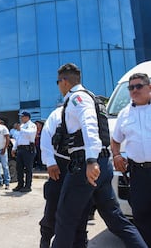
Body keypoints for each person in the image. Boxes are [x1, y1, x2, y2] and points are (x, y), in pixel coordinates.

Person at [52, 63, 146, 248]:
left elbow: (89, 125)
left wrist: (91, 161)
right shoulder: (93, 98)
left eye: (58, 82)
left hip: (85, 166)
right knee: (116, 220)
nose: (59, 86)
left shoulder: (78, 98)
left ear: (64, 81)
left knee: (64, 219)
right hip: (101, 165)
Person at [111, 72, 151, 247]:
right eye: (131, 87)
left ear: (149, 87)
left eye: (138, 86)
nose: (134, 90)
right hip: (138, 172)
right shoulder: (124, 114)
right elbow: (115, 139)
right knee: (140, 213)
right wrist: (117, 155)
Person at [39, 106, 88, 248]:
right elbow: (46, 135)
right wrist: (50, 162)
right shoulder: (59, 113)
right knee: (53, 206)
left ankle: (79, 242)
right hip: (61, 164)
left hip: (83, 164)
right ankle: (46, 239)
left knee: (81, 208)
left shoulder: (88, 111)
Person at [12, 111, 37, 192]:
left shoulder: (32, 125)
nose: (21, 118)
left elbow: (31, 134)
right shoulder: (22, 126)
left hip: (28, 148)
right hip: (20, 148)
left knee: (28, 168)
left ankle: (28, 186)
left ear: (27, 117)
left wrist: (21, 130)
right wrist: (14, 148)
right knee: (19, 168)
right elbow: (18, 138)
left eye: (22, 117)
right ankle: (20, 184)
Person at [0, 117, 11, 189]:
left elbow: (7, 138)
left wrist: (5, 148)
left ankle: (7, 182)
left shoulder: (3, 128)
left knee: (5, 166)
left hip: (2, 149)